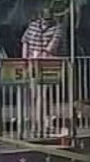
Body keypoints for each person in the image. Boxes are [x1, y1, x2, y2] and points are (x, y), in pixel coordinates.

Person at [21, 8, 65, 139]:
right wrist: (24, 60)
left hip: (47, 65)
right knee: (34, 95)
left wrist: (41, 55)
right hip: (32, 63)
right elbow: (25, 41)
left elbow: (52, 47)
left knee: (43, 95)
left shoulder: (57, 28)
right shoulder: (33, 25)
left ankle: (42, 123)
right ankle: (36, 122)